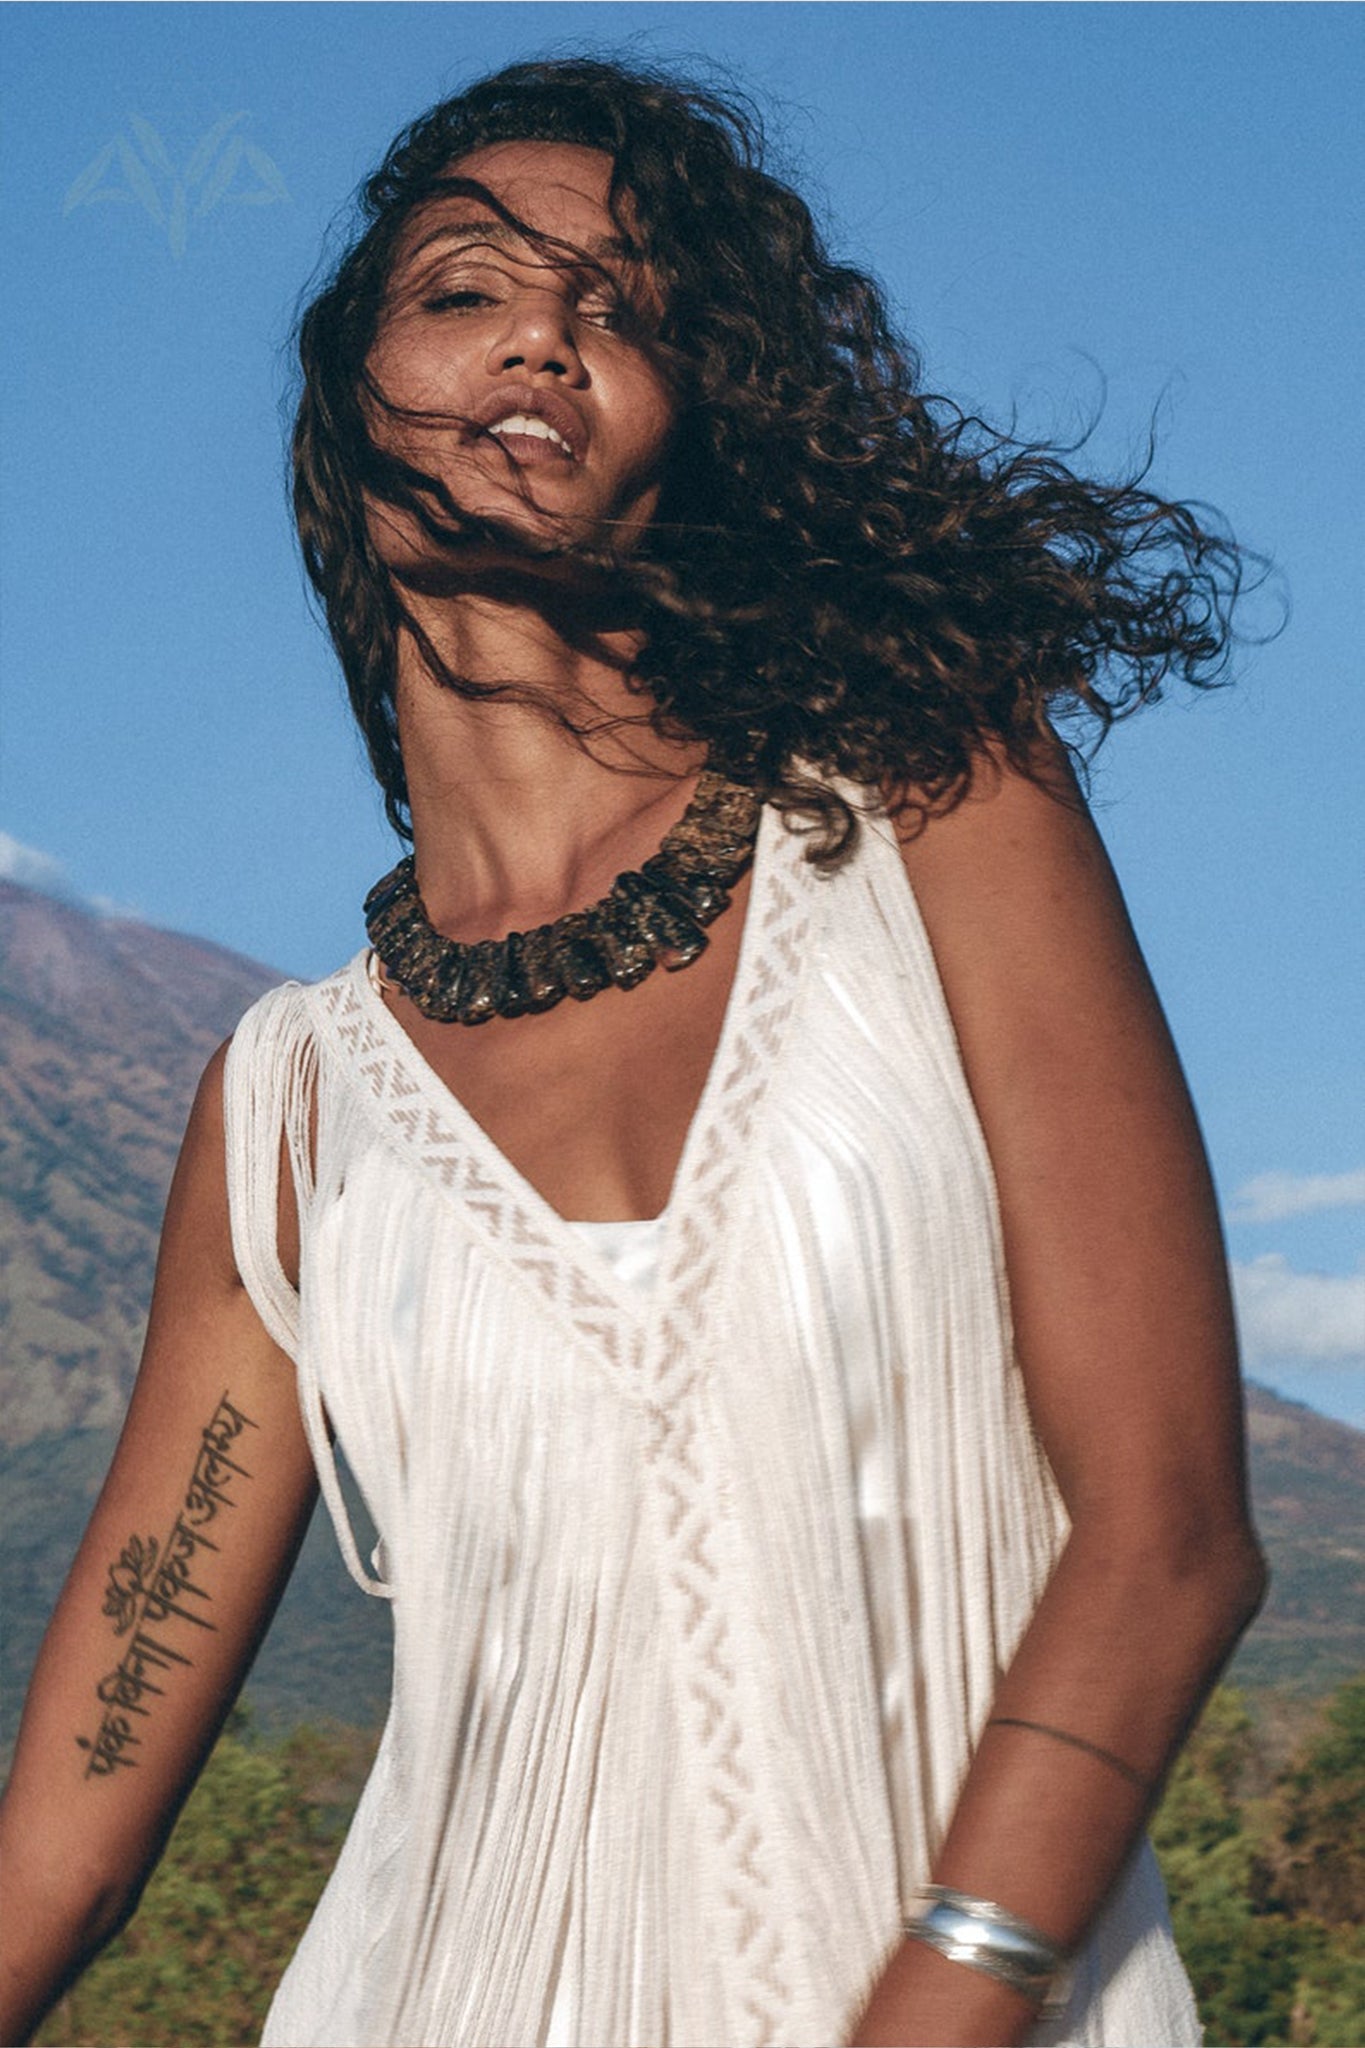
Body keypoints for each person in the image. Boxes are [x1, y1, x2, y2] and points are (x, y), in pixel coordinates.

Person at [0, 55, 1267, 2048]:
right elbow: (85, 1780)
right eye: (465, 286)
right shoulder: (288, 1104)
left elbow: (1170, 1527)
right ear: (347, 396)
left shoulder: (926, 809)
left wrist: (947, 1996)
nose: (545, 332)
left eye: (627, 310)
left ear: (692, 431)